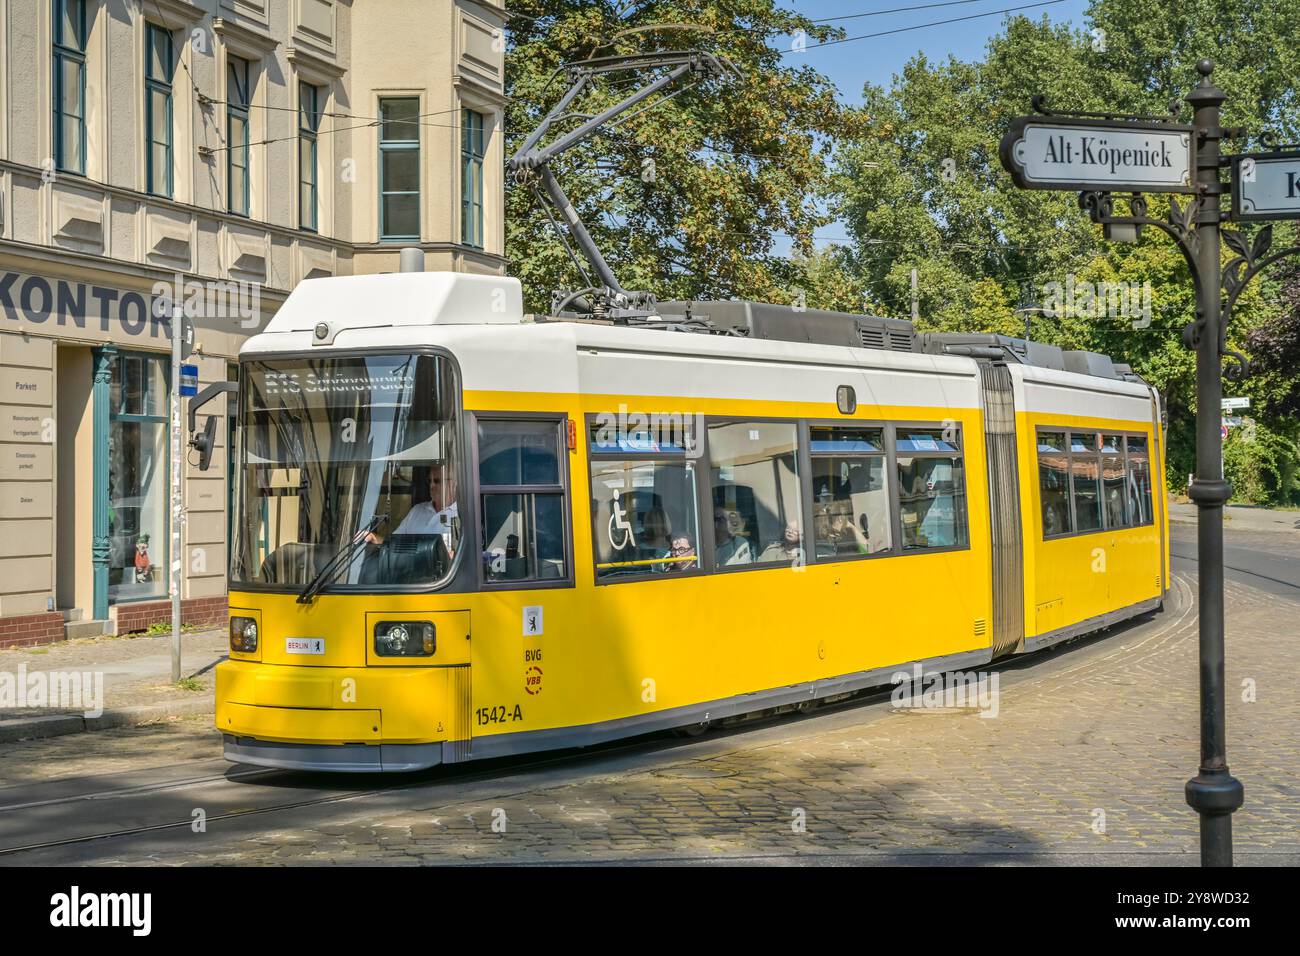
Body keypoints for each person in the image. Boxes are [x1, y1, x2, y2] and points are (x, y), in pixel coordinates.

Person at [367, 462, 457, 552]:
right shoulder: (417, 510)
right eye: (429, 481)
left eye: (437, 481)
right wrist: (375, 539)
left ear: (453, 484)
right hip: (410, 565)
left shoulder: (462, 513)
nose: (431, 486)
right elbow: (394, 544)